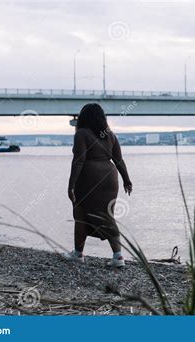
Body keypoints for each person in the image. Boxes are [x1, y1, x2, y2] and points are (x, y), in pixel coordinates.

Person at [66, 103, 132, 267]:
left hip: (89, 177)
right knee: (107, 214)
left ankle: (78, 253)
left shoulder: (81, 133)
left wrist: (71, 184)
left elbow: (79, 160)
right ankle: (117, 256)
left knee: (80, 213)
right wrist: (126, 179)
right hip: (110, 178)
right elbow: (118, 160)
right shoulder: (110, 135)